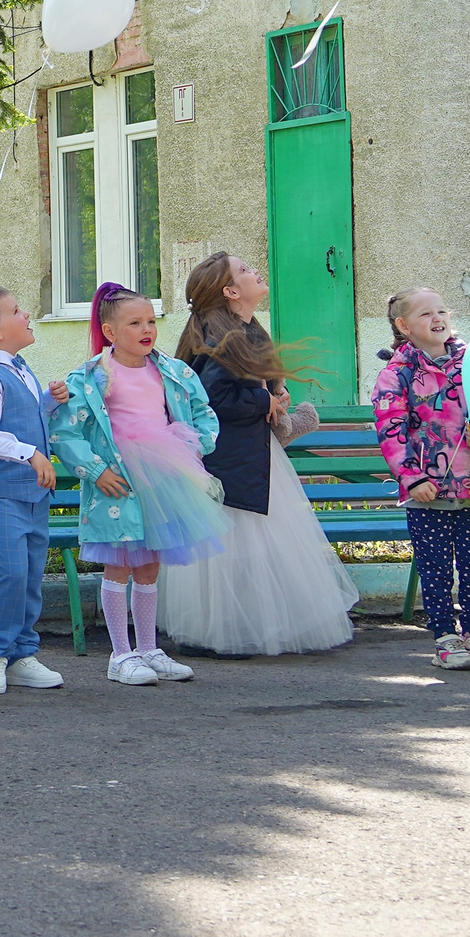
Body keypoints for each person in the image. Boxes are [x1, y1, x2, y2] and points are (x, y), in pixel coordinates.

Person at [161, 252, 358, 660]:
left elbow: (249, 385)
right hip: (231, 460)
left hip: (249, 454)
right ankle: (228, 631)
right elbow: (214, 397)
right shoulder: (223, 337)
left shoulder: (243, 329)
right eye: (245, 270)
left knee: (246, 546)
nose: (256, 271)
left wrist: (275, 394)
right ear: (231, 292)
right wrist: (261, 398)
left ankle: (237, 626)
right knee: (234, 546)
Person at [51, 283, 223, 686]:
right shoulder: (90, 378)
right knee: (120, 564)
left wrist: (196, 447)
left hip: (163, 476)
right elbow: (66, 431)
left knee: (150, 564)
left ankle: (148, 648)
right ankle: (120, 655)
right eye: (135, 323)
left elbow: (202, 411)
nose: (147, 329)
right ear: (110, 332)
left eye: (151, 321)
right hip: (118, 479)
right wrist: (96, 471)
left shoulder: (173, 371)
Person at [371, 287, 470, 672]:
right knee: (436, 566)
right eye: (426, 314)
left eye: (442, 310)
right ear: (404, 325)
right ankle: (445, 637)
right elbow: (390, 431)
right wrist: (411, 479)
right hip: (427, 492)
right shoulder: (397, 374)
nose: (437, 318)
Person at [0, 286, 68, 695]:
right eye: (17, 311)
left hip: (31, 495)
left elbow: (23, 414)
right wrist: (31, 454)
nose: (26, 315)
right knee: (12, 574)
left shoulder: (19, 368)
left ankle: (23, 653)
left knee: (32, 575)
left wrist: (50, 403)